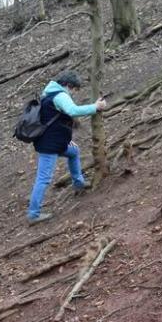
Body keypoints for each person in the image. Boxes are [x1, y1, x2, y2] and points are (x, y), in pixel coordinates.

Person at [27, 71, 107, 225]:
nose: (74, 93)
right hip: (49, 146)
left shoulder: (49, 94)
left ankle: (78, 183)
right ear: (69, 86)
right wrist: (96, 107)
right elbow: (73, 111)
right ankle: (33, 214)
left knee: (74, 152)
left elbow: (55, 120)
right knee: (44, 178)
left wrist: (66, 140)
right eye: (75, 90)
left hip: (55, 142)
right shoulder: (60, 95)